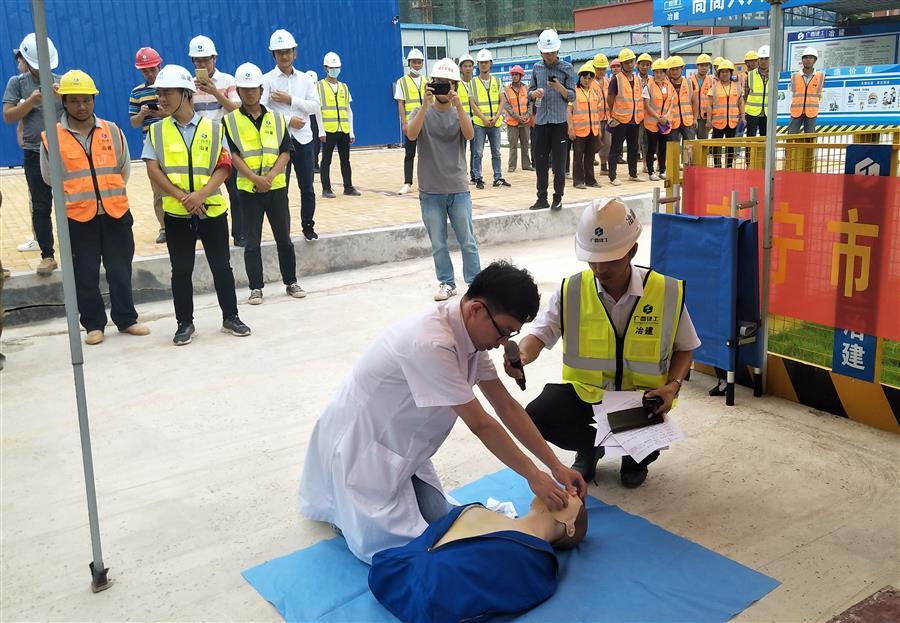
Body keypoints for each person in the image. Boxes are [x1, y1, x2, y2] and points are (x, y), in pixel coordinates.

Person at [298, 260, 587, 563]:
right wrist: (534, 476)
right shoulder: (431, 342)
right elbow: (481, 423)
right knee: (415, 549)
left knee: (446, 524)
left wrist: (555, 467)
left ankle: (354, 511)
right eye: (504, 331)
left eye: (511, 335)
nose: (503, 344)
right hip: (361, 450)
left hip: (400, 448)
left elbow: (507, 406)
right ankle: (342, 514)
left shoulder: (473, 338)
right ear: (476, 309)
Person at [505, 198, 700, 488]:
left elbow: (686, 346)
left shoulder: (665, 291)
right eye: (592, 257)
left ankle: (634, 456)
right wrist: (521, 355)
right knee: (538, 415)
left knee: (639, 462)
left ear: (632, 250)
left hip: (640, 401)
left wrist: (672, 387)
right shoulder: (571, 289)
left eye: (609, 258)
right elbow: (541, 333)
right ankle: (590, 447)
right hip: (587, 396)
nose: (599, 267)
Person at [142, 64, 250, 345]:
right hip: (177, 214)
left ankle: (231, 316)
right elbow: (153, 170)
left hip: (212, 210)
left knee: (221, 266)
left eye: (167, 93)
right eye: (160, 93)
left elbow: (224, 166)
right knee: (181, 270)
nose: (161, 99)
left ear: (186, 94)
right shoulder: (156, 131)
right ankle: (184, 323)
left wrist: (201, 195)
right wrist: (182, 197)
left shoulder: (213, 129)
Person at [40, 70, 149, 345]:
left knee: (120, 270)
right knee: (85, 273)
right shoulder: (51, 138)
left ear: (93, 100)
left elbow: (123, 169)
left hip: (115, 213)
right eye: (74, 100)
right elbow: (48, 177)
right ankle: (93, 324)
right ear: (64, 102)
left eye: (86, 100)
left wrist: (105, 194)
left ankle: (126, 319)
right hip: (78, 217)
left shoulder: (112, 130)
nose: (81, 106)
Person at [369, 494, 587, 623]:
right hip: (401, 568)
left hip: (408, 580)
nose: (566, 491)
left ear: (570, 528)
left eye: (573, 499)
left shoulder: (537, 561)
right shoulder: (477, 508)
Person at [224, 63, 306, 306]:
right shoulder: (230, 121)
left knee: (284, 238)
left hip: (276, 187)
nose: (250, 93)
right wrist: (255, 179)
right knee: (252, 241)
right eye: (245, 89)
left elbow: (286, 152)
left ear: (261, 90)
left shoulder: (278, 118)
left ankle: (291, 281)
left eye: (254, 89)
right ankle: (256, 288)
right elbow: (234, 156)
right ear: (238, 91)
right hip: (248, 191)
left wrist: (269, 178)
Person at [405, 58, 480, 301]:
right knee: (438, 243)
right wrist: (424, 106)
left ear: (455, 87)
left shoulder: (460, 112)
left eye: (448, 84)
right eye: (438, 84)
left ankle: (475, 284)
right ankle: (447, 283)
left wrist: (460, 107)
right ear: (431, 85)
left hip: (457, 188)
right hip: (431, 190)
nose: (443, 89)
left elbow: (470, 135)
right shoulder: (420, 111)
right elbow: (412, 134)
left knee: (467, 241)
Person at [3, 33, 64, 276]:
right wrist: (30, 101)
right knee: (41, 205)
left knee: (70, 203)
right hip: (34, 152)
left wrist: (64, 99)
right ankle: (47, 255)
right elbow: (9, 116)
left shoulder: (62, 82)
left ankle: (75, 250)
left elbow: (80, 112)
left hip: (62, 151)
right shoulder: (17, 83)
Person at [262, 29, 321, 240]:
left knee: (307, 186)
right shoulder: (266, 80)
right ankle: (283, 230)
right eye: (279, 53)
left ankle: (308, 225)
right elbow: (261, 110)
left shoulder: (305, 80)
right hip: (279, 140)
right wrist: (287, 120)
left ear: (295, 53)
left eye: (287, 51)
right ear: (273, 56)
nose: (284, 56)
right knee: (281, 189)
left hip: (304, 139)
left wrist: (290, 100)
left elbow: (315, 106)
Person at [188, 35, 243, 247]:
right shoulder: (189, 85)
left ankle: (239, 233)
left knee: (235, 193)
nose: (201, 64)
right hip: (199, 146)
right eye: (197, 60)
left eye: (205, 59)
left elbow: (237, 110)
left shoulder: (228, 81)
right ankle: (203, 230)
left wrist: (214, 92)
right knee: (203, 191)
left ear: (214, 58)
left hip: (225, 144)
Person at [528, 29, 575, 212]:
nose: (549, 56)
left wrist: (559, 87)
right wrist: (534, 93)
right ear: (541, 51)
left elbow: (572, 95)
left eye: (552, 52)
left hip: (559, 122)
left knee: (559, 161)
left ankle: (558, 197)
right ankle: (542, 198)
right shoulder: (536, 68)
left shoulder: (566, 68)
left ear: (557, 51)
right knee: (540, 162)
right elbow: (529, 92)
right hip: (540, 122)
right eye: (546, 52)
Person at [129, 46, 168, 243]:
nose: (150, 73)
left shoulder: (171, 86)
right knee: (158, 188)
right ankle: (164, 227)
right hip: (151, 144)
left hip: (173, 143)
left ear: (160, 65)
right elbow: (133, 123)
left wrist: (162, 113)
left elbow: (183, 112)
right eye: (145, 70)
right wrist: (142, 114)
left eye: (153, 68)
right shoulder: (137, 93)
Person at [317, 52, 360, 198]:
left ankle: (348, 186)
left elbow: (348, 110)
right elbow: (317, 110)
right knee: (326, 160)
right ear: (325, 68)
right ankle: (326, 188)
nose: (335, 70)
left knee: (345, 160)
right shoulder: (319, 86)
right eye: (332, 67)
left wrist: (351, 131)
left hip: (343, 129)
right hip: (328, 130)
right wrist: (320, 130)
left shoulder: (344, 87)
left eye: (337, 67)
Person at [468, 49, 510, 189]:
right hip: (480, 123)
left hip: (495, 122)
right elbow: (472, 104)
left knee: (496, 152)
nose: (484, 65)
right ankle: (478, 178)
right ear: (478, 65)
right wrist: (484, 119)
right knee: (478, 152)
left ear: (490, 63)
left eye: (486, 62)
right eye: (481, 63)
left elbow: (502, 101)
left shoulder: (497, 81)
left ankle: (498, 177)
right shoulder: (473, 83)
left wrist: (496, 117)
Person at [607, 48, 644, 186]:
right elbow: (610, 98)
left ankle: (633, 174)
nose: (629, 64)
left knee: (633, 148)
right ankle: (612, 176)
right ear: (622, 64)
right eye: (626, 62)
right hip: (620, 119)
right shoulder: (616, 79)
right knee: (616, 148)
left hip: (634, 119)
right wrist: (613, 113)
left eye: (631, 61)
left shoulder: (637, 79)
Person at [395, 48, 427, 195]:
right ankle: (408, 182)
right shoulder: (402, 82)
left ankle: (426, 181)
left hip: (426, 122)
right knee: (410, 153)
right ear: (409, 63)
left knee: (426, 153)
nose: (416, 64)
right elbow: (401, 103)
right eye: (414, 62)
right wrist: (404, 122)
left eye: (419, 62)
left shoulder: (427, 80)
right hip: (411, 122)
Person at [567, 62, 602, 190]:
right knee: (578, 156)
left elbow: (596, 112)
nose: (587, 80)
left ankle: (591, 180)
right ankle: (578, 181)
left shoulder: (594, 92)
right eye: (584, 77)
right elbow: (568, 111)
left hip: (592, 130)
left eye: (589, 78)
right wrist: (570, 128)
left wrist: (598, 130)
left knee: (590, 156)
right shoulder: (574, 92)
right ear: (579, 77)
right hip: (579, 130)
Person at [642, 59, 674, 181]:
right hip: (652, 123)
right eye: (656, 72)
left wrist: (666, 116)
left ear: (665, 73)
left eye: (661, 72)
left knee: (663, 147)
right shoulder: (648, 87)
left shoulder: (669, 86)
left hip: (665, 122)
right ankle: (651, 172)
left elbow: (671, 102)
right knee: (651, 148)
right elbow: (647, 105)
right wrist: (657, 117)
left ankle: (662, 170)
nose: (659, 75)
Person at [708, 60, 743, 168]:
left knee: (730, 145)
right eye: (722, 72)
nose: (724, 74)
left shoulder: (737, 86)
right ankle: (717, 166)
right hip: (718, 122)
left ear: (730, 73)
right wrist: (708, 121)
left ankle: (729, 166)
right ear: (719, 74)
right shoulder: (714, 88)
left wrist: (743, 116)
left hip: (732, 122)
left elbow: (741, 102)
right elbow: (709, 106)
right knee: (716, 146)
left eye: (727, 72)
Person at [788, 46, 824, 134]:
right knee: (791, 136)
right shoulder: (794, 76)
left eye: (811, 58)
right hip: (796, 111)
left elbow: (819, 94)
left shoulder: (820, 76)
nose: (808, 60)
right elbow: (792, 93)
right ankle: (790, 149)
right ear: (802, 60)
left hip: (811, 112)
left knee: (810, 138)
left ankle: (810, 149)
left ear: (815, 60)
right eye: (806, 57)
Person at [504, 65, 532, 173]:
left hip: (525, 122)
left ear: (521, 76)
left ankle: (526, 165)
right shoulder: (506, 89)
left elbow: (530, 103)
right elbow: (507, 106)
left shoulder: (527, 88)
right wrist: (517, 117)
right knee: (513, 145)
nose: (514, 76)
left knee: (525, 144)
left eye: (517, 74)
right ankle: (512, 166)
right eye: (513, 75)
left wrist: (527, 115)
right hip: (512, 122)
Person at [456, 53, 477, 183]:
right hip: (461, 121)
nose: (468, 68)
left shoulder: (476, 83)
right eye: (465, 66)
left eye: (470, 66)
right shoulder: (457, 84)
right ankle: (462, 174)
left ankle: (475, 175)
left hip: (475, 121)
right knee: (461, 150)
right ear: (461, 68)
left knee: (475, 151)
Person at [665, 56, 696, 145]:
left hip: (688, 122)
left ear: (682, 68)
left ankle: (688, 160)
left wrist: (695, 119)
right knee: (672, 148)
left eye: (677, 69)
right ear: (668, 71)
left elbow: (694, 101)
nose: (675, 72)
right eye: (672, 69)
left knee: (690, 148)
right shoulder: (666, 85)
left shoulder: (689, 83)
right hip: (673, 122)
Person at [591, 53, 611, 174]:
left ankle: (604, 166)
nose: (601, 71)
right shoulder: (590, 82)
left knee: (607, 143)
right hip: (594, 119)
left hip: (606, 117)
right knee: (593, 143)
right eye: (599, 68)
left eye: (603, 68)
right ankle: (588, 167)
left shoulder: (607, 81)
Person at [745, 45, 770, 137]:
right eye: (761, 59)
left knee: (766, 139)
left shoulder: (776, 75)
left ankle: (764, 153)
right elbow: (745, 96)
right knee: (750, 139)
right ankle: (749, 153)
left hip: (768, 113)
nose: (764, 61)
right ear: (758, 60)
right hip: (752, 113)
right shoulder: (750, 75)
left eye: (766, 58)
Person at [690, 53, 714, 139]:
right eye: (702, 65)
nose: (704, 68)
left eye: (706, 65)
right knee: (690, 143)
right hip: (691, 117)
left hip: (705, 118)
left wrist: (710, 119)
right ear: (697, 66)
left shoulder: (712, 81)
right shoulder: (689, 80)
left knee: (703, 143)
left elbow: (713, 102)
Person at [635, 53, 652, 169]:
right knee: (637, 141)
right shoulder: (634, 80)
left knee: (648, 141)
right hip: (637, 115)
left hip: (650, 115)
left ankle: (646, 164)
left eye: (647, 65)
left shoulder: (653, 80)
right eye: (642, 64)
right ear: (638, 66)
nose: (644, 67)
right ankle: (634, 165)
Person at [306, 69, 322, 172]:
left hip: (316, 116)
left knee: (316, 141)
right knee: (308, 140)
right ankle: (310, 163)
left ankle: (315, 163)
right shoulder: (302, 88)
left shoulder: (318, 90)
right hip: (307, 116)